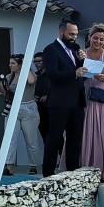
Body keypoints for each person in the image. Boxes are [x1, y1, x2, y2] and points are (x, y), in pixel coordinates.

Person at [40, 20, 88, 177]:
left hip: (77, 101)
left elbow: (82, 77)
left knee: (75, 138)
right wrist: (74, 73)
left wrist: (83, 62)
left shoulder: (75, 50)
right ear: (61, 33)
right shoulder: (51, 50)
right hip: (59, 102)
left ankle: (73, 173)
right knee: (55, 137)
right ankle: (48, 173)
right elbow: (52, 75)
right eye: (71, 34)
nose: (74, 37)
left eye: (75, 34)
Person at [80, 24, 104, 182]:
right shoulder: (82, 53)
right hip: (85, 92)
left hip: (102, 94)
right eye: (95, 38)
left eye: (102, 39)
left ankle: (103, 170)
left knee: (102, 131)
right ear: (89, 38)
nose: (98, 41)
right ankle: (83, 166)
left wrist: (102, 77)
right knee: (83, 129)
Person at [1, 54, 42, 175]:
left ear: (20, 65)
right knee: (10, 139)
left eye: (13, 63)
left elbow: (31, 81)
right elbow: (5, 94)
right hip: (13, 108)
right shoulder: (9, 77)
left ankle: (33, 165)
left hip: (28, 108)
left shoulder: (29, 74)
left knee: (31, 140)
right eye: (10, 63)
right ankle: (9, 166)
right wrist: (0, 86)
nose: (10, 65)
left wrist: (25, 66)